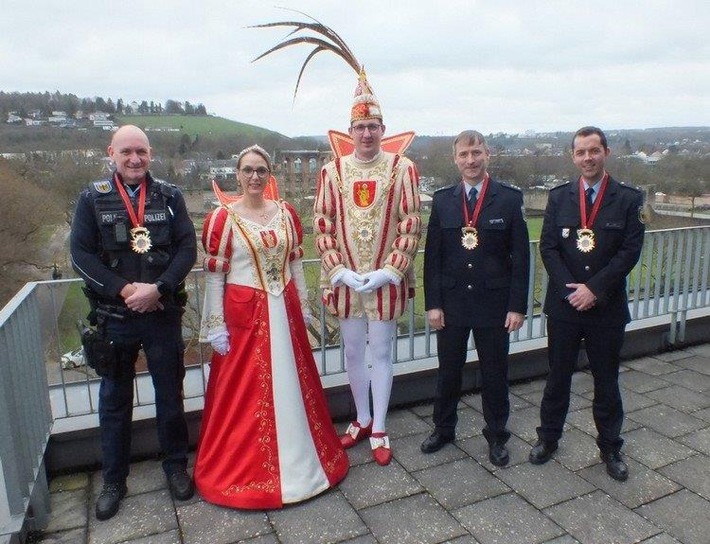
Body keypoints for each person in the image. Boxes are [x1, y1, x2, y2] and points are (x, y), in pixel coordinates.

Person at [196, 145, 349, 509]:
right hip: (245, 318)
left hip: (285, 310)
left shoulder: (286, 214)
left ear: (270, 174)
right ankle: (252, 471)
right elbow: (215, 277)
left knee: (295, 384)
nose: (254, 177)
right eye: (247, 170)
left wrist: (306, 306)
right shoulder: (222, 219)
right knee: (245, 394)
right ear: (237, 173)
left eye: (261, 170)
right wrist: (215, 325)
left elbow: (295, 265)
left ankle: (303, 462)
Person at [70, 125, 196, 520]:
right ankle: (113, 480)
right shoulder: (92, 199)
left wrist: (159, 288)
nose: (134, 158)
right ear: (112, 153)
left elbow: (187, 248)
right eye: (126, 151)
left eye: (140, 151)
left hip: (161, 313)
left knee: (170, 394)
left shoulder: (171, 196)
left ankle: (176, 467)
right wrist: (126, 290)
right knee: (114, 401)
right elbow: (80, 256)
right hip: (116, 318)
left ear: (150, 153)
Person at [314, 73, 422, 466]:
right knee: (353, 352)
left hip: (383, 281)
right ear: (349, 131)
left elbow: (411, 221)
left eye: (372, 127)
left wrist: (391, 270)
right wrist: (336, 268)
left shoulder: (401, 168)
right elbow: (322, 222)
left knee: (382, 351)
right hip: (345, 281)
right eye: (359, 127)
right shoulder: (332, 171)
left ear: (383, 129)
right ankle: (359, 417)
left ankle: (379, 425)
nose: (365, 134)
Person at [529, 126, 645, 481]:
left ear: (606, 153)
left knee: (607, 381)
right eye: (580, 152)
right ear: (573, 156)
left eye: (593, 151)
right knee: (557, 378)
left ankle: (610, 448)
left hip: (605, 307)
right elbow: (548, 246)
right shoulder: (560, 196)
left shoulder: (628, 199)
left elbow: (629, 251)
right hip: (565, 307)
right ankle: (548, 439)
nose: (587, 158)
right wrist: (571, 291)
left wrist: (593, 289)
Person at [421, 130, 530, 466]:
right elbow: (433, 258)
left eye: (476, 153)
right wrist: (433, 303)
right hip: (451, 304)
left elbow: (521, 258)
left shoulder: (509, 199)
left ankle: (497, 435)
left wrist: (516, 306)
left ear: (487, 155)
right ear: (455, 159)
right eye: (464, 155)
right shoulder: (442, 201)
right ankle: (444, 428)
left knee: (495, 374)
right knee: (448, 371)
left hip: (494, 306)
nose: (471, 160)